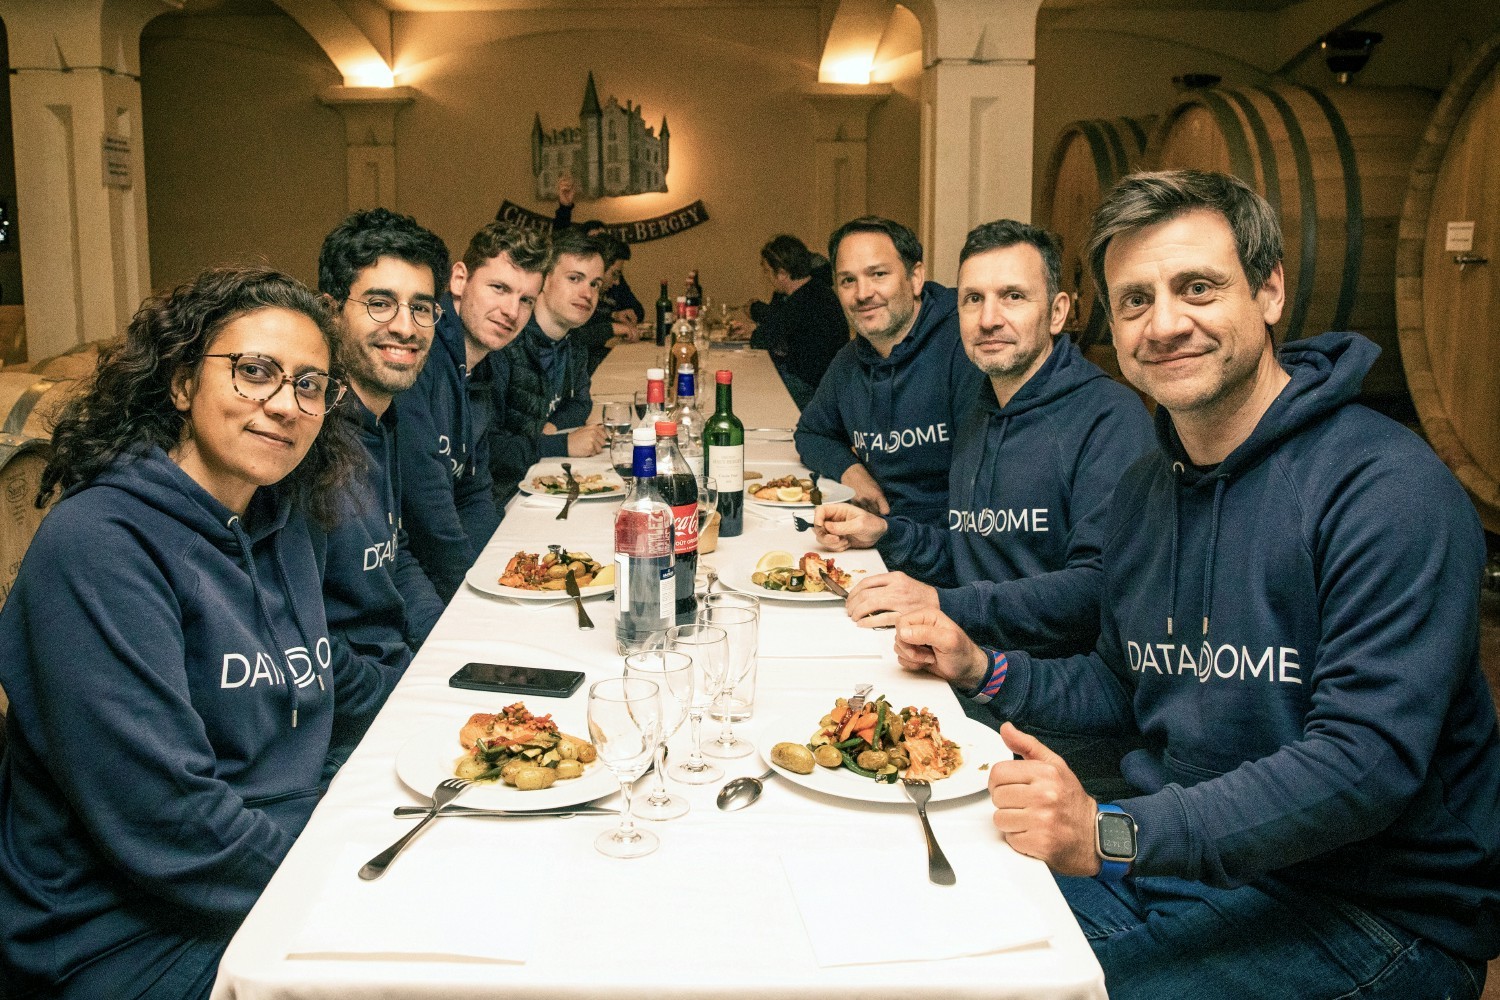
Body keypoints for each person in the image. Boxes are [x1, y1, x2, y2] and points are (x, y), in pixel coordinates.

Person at [894, 170, 1500, 1000]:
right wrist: (984, 670)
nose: (1165, 323)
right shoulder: (1147, 488)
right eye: (1136, 300)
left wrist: (1112, 831)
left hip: (1367, 912)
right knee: (926, 939)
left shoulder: (1386, 489)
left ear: (1271, 290)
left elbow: (1363, 766)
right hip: (1186, 866)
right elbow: (1122, 681)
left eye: (1198, 288)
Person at [0, 266, 365, 999]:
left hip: (263, 868)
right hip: (125, 934)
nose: (282, 404)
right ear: (180, 385)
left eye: (309, 385)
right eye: (254, 371)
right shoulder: (100, 544)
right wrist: (353, 883)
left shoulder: (283, 517)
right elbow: (171, 824)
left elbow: (326, 679)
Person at [815, 219, 1152, 657]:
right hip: (963, 654)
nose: (988, 320)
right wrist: (885, 533)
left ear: (1057, 312)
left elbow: (1095, 590)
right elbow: (971, 550)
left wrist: (943, 602)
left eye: (1013, 296)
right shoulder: (979, 406)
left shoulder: (1110, 417)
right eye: (973, 299)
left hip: (1047, 686)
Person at [315, 208, 450, 767]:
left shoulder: (384, 418)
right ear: (329, 310)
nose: (405, 326)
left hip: (393, 679)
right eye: (380, 302)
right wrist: (409, 696)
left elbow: (394, 560)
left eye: (421, 307)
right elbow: (307, 642)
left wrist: (450, 650)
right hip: (342, 727)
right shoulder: (303, 435)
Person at [395, 221, 550, 600]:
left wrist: (501, 571)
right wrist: (480, 594)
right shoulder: (420, 353)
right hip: (405, 571)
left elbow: (474, 489)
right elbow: (427, 507)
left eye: (526, 299)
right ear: (460, 279)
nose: (511, 311)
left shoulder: (490, 362)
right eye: (499, 288)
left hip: (443, 560)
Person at [794, 216, 983, 522]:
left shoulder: (966, 347)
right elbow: (812, 433)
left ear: (916, 277)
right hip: (882, 533)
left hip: (946, 546)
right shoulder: (848, 362)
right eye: (848, 280)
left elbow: (981, 491)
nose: (863, 293)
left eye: (878, 274)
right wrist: (852, 473)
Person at [487, 226, 608, 504]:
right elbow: (490, 450)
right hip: (501, 494)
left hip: (535, 478)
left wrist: (552, 426)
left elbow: (580, 403)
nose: (588, 293)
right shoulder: (505, 341)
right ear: (544, 280)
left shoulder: (573, 340)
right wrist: (562, 444)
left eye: (595, 284)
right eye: (575, 278)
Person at [747, 234, 849, 409]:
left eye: (767, 271)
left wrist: (756, 330)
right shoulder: (813, 291)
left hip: (812, 387)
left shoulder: (805, 300)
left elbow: (762, 339)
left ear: (782, 273)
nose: (767, 277)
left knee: (749, 391)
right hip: (816, 381)